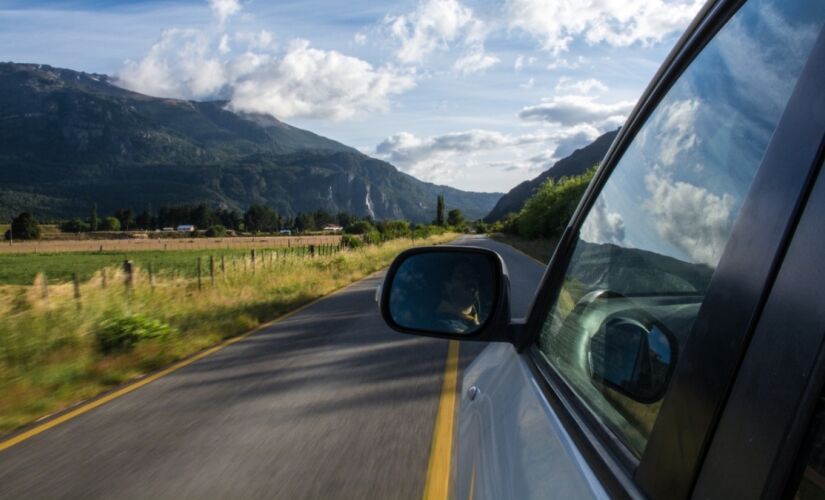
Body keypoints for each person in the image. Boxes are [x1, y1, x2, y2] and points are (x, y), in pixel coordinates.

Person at [433, 261, 481, 333]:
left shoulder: (482, 318)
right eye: (462, 276)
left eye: (474, 276)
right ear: (445, 287)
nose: (470, 280)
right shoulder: (440, 326)